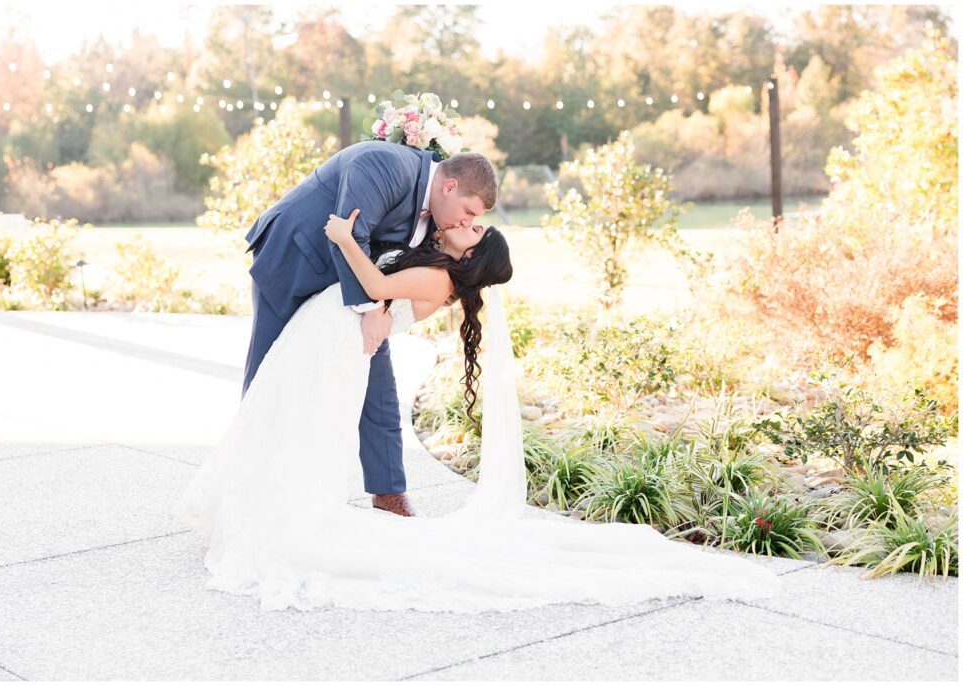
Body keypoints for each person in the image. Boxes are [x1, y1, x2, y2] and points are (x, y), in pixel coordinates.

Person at [171, 209, 782, 614]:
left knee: (300, 427)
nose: (462, 226)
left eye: (471, 231)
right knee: (283, 417)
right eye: (467, 221)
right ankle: (261, 501)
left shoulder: (440, 285)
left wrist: (340, 239)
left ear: (473, 255)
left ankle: (279, 514)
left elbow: (379, 291)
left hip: (335, 344)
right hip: (330, 336)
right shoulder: (433, 264)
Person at [240, 141, 498, 516]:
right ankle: (248, 485)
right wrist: (374, 307)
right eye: (468, 212)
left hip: (350, 299)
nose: (464, 222)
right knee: (268, 376)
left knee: (379, 389)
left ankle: (389, 492)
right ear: (449, 187)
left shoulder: (441, 221)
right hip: (293, 260)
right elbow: (350, 233)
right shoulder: (385, 164)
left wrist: (381, 308)